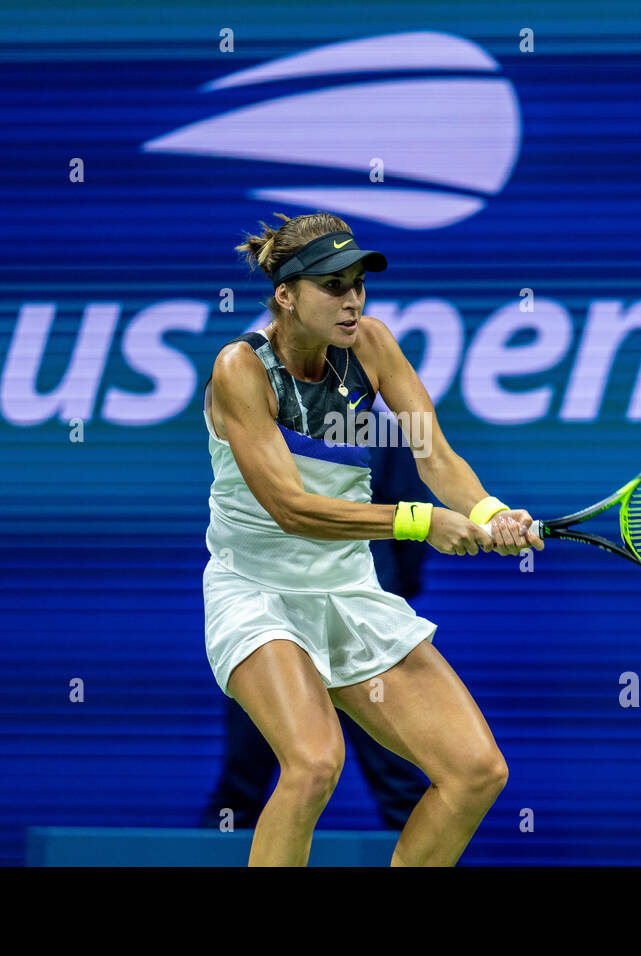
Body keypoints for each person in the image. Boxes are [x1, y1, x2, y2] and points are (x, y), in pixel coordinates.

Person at [201, 211, 544, 866]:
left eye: (358, 283)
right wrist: (417, 521)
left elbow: (433, 455)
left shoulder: (372, 347)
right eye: (333, 286)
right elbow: (291, 508)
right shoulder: (240, 369)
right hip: (257, 595)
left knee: (476, 771)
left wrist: (487, 512)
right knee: (313, 763)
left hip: (349, 592)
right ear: (286, 296)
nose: (352, 299)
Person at [200, 438, 433, 832]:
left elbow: (408, 512)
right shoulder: (368, 424)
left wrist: (382, 596)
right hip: (272, 626)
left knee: (404, 788)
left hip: (352, 623)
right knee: (246, 786)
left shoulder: (373, 430)